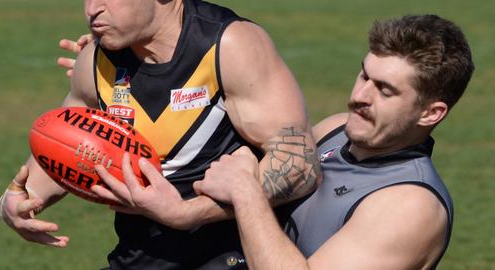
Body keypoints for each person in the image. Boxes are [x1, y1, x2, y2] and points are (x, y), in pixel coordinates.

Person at [0, 0, 320, 269]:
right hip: (137, 259)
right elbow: (67, 143)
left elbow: (299, 166)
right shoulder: (95, 61)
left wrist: (187, 213)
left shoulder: (229, 47)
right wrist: (17, 201)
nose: (92, 8)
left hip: (227, 258)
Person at [193, 14, 474, 269]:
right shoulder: (335, 129)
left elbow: (246, 187)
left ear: (430, 113)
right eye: (364, 74)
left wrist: (246, 191)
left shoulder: (411, 207)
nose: (359, 96)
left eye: (385, 90)